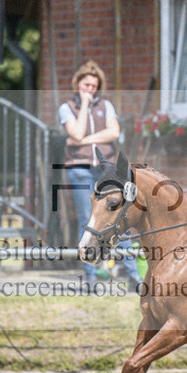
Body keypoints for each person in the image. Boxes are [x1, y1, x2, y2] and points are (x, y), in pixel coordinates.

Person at [58, 60, 141, 293]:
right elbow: (75, 130)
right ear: (78, 84)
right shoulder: (67, 107)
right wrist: (84, 105)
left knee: (119, 219)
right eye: (86, 85)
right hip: (80, 168)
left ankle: (135, 277)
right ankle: (90, 278)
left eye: (94, 86)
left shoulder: (106, 105)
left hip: (106, 170)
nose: (90, 89)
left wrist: (82, 141)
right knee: (88, 220)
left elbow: (114, 132)